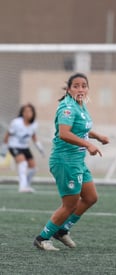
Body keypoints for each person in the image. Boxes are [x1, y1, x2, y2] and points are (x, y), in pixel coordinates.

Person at [33, 73, 109, 251]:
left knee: (90, 198)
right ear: (68, 89)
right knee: (70, 204)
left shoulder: (80, 105)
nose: (80, 89)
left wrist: (97, 136)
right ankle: (42, 238)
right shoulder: (67, 107)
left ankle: (62, 230)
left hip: (77, 161)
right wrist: (88, 145)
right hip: (65, 161)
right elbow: (64, 133)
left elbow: (80, 129)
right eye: (76, 86)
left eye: (84, 85)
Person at [0, 103, 45, 193]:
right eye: (25, 111)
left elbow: (34, 138)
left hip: (25, 147)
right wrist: (3, 151)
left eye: (30, 111)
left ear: (33, 113)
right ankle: (22, 187)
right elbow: (7, 135)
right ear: (22, 113)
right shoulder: (16, 122)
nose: (27, 113)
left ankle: (26, 185)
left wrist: (40, 149)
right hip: (14, 146)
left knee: (33, 168)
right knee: (23, 163)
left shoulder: (34, 124)